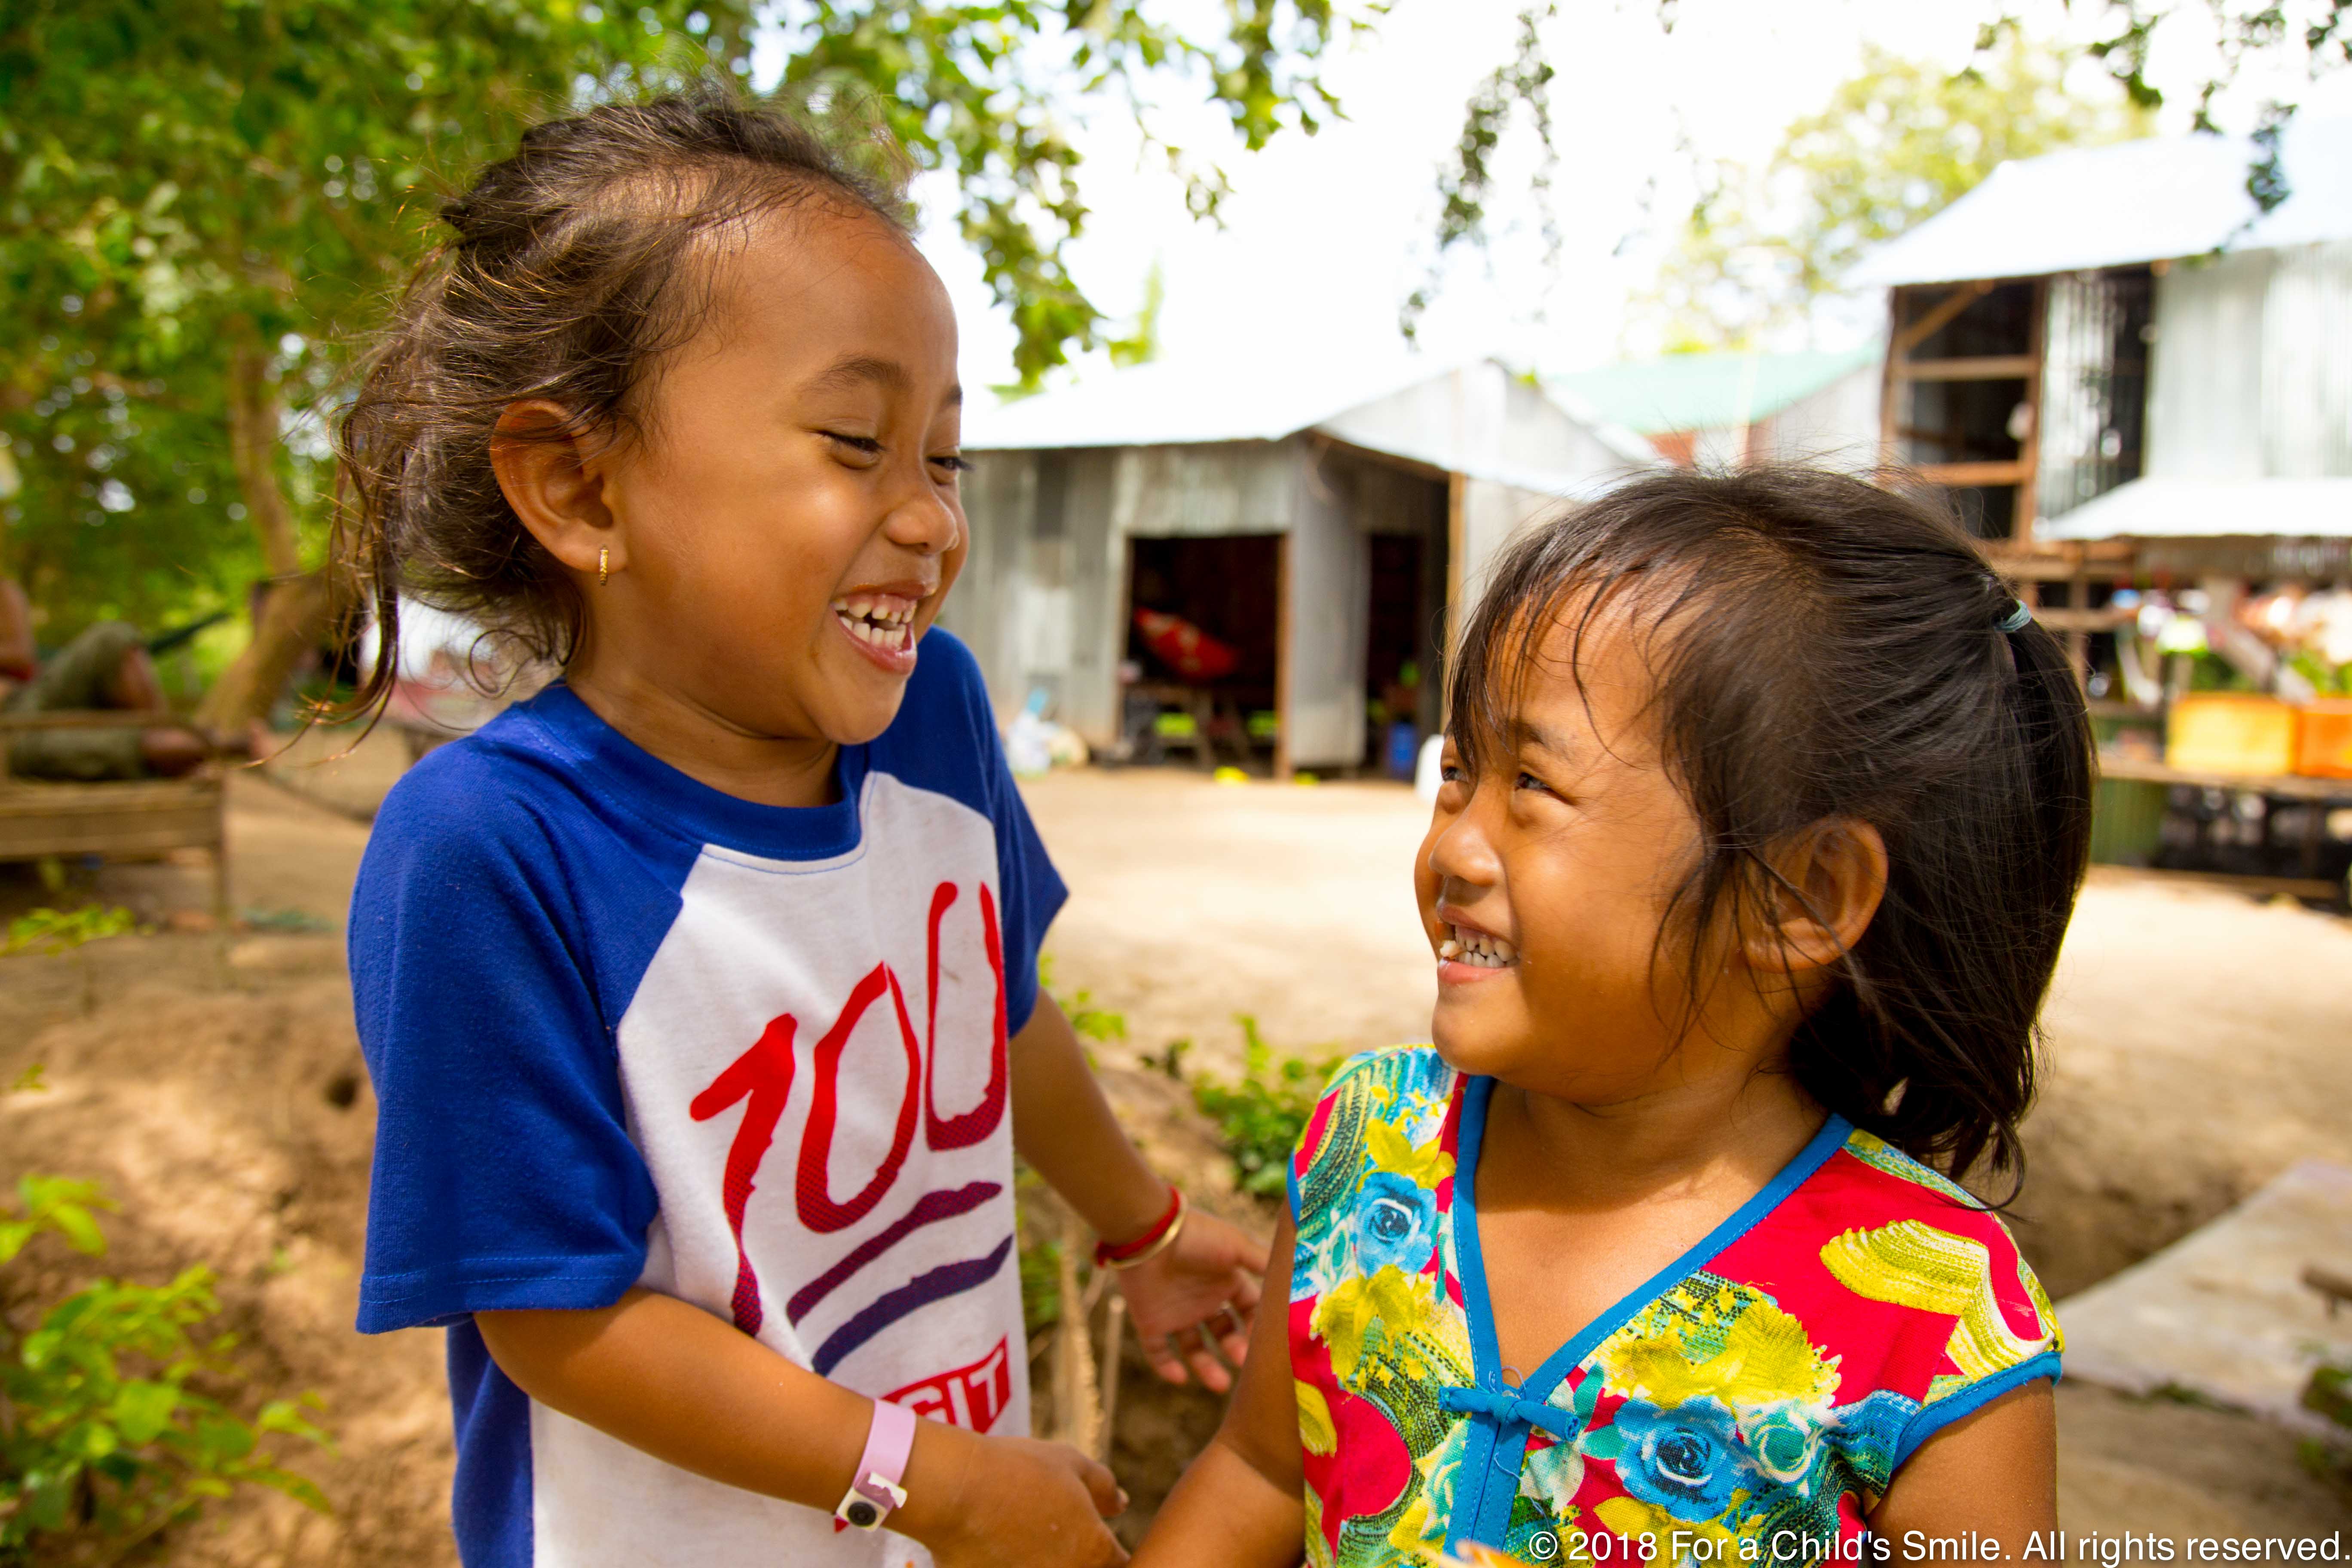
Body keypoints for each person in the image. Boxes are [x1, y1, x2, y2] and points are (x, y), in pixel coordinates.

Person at [336, 92, 1262, 1568]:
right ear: (581, 486)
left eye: (943, 459)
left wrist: (1139, 1227)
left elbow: (992, 1013)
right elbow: (557, 1320)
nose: (931, 521)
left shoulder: (934, 719)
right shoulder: (490, 849)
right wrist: (938, 1482)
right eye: (856, 442)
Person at [1136, 467, 2093, 1568]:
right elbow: (1259, 1468)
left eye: (1532, 788)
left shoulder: (1929, 1316)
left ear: (1802, 895)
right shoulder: (1372, 1147)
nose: (1451, 847)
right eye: (1458, 771)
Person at [0, 579, 210, 780]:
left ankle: (168, 731)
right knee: (113, 747)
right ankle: (217, 745)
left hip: (27, 695)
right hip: (11, 736)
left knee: (112, 637)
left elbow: (21, 655)